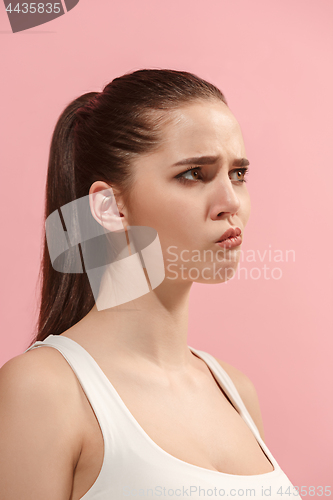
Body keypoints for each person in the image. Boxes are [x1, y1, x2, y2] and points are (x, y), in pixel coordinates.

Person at [0, 69, 301, 500]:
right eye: (194, 174)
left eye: (237, 174)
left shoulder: (236, 392)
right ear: (110, 206)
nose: (230, 203)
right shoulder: (44, 390)